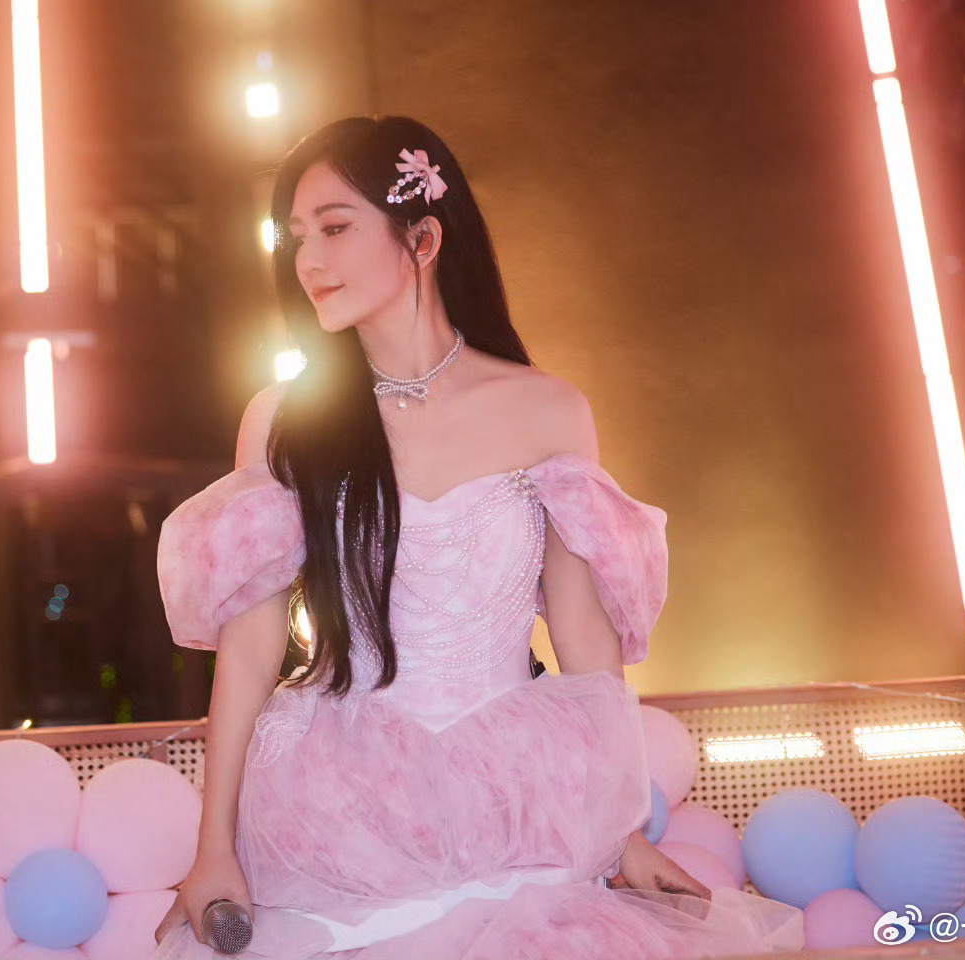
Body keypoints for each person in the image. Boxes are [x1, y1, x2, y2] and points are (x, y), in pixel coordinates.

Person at [152, 116, 804, 959]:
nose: (308, 260)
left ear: (422, 238)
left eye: (335, 228)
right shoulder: (283, 420)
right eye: (296, 236)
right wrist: (214, 847)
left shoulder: (547, 409)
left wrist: (621, 832)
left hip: (518, 805)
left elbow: (585, 645)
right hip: (342, 811)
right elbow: (249, 652)